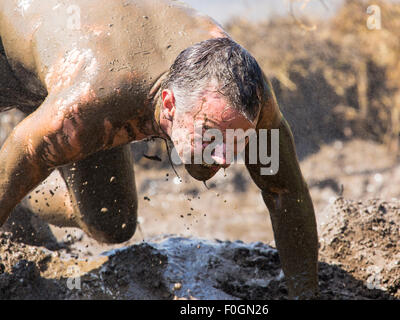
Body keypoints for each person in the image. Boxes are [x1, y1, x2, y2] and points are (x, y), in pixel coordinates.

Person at [0, 0, 318, 299]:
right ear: (169, 105)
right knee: (19, 167)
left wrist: (305, 294)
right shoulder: (89, 107)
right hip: (16, 51)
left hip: (89, 64)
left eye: (239, 139)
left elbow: (284, 191)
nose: (225, 159)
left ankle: (23, 203)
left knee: (112, 223)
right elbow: (23, 150)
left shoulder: (250, 98)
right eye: (211, 135)